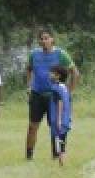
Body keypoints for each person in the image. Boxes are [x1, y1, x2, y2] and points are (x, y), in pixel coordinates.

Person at [24, 28, 79, 161]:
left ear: (52, 39)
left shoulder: (61, 54)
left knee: (56, 126)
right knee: (32, 127)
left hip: (54, 97)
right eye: (41, 39)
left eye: (46, 38)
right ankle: (28, 156)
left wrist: (69, 92)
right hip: (37, 95)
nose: (44, 41)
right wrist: (29, 86)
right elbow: (29, 70)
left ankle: (57, 155)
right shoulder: (34, 54)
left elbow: (75, 73)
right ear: (39, 41)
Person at [48, 65, 73, 164]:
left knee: (59, 140)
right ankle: (61, 161)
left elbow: (60, 102)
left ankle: (61, 162)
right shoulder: (64, 87)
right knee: (62, 140)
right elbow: (69, 102)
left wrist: (58, 120)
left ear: (58, 76)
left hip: (59, 119)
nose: (49, 75)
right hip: (65, 119)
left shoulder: (56, 88)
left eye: (52, 73)